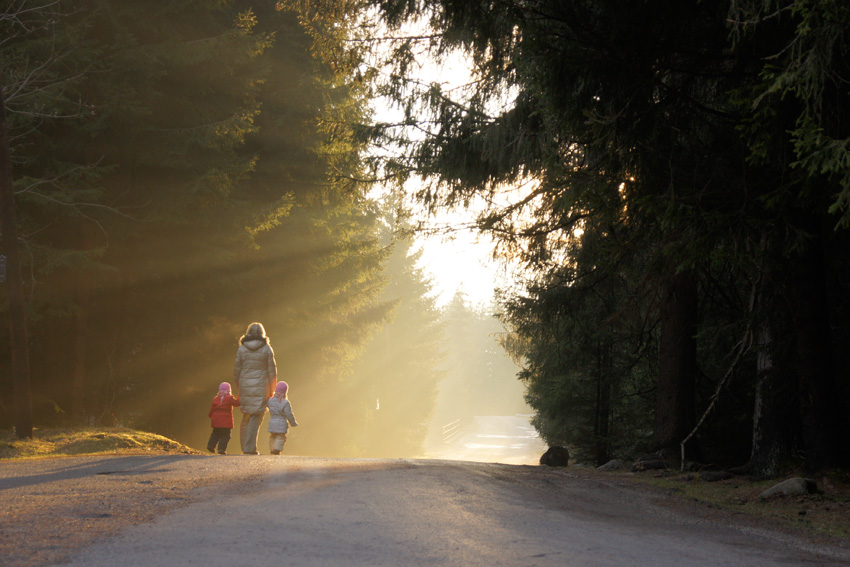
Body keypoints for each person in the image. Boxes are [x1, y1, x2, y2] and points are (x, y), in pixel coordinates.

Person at [233, 322, 277, 454]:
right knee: (256, 417)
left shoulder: (241, 349)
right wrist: (272, 390)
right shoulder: (267, 348)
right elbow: (272, 371)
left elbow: (236, 371)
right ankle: (250, 449)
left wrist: (240, 386)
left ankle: (245, 448)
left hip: (245, 385)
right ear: (262, 333)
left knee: (246, 416)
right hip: (261, 386)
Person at [207, 382, 240, 455]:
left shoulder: (215, 399)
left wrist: (210, 416)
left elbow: (211, 409)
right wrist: (240, 396)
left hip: (215, 421)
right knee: (226, 436)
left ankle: (211, 445)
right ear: (229, 390)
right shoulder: (229, 398)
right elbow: (237, 403)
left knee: (215, 433)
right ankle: (221, 449)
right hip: (226, 422)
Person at [267, 381, 298, 455]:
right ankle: (277, 449)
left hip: (272, 421)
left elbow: (268, 407)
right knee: (280, 437)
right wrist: (293, 423)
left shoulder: (270, 400)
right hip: (281, 422)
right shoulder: (285, 402)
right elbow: (289, 414)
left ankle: (272, 448)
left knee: (273, 436)